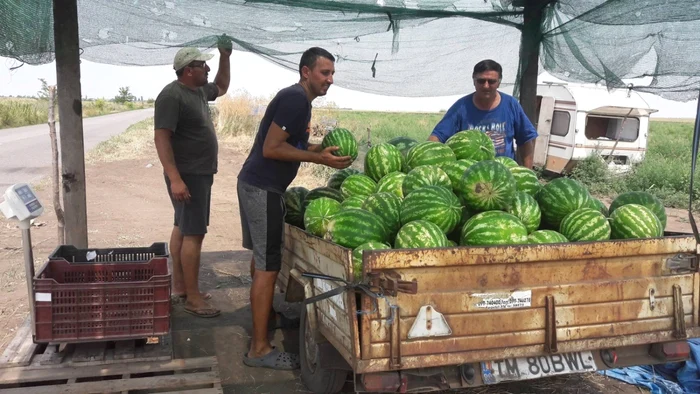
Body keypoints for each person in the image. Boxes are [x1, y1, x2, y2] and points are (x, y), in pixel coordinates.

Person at [236, 47, 352, 370]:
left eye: (332, 74)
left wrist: (320, 150)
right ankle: (260, 349)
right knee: (268, 265)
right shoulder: (295, 99)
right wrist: (319, 159)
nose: (330, 79)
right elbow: (272, 148)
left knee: (262, 259)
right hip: (263, 189)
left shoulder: (301, 102)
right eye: (324, 73)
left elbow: (293, 145)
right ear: (305, 72)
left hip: (256, 185)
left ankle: (267, 315)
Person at [153, 38, 231, 318]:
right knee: (194, 234)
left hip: (197, 173)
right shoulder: (171, 96)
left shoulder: (198, 91)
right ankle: (194, 299)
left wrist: (225, 56)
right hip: (188, 175)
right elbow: (161, 138)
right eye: (203, 65)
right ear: (188, 69)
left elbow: (222, 86)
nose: (207, 69)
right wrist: (175, 178)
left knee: (182, 227)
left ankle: (181, 287)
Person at [429, 59, 538, 168]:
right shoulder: (461, 107)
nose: (486, 86)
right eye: (481, 81)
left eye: (491, 81)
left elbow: (526, 139)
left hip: (505, 174)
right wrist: (425, 158)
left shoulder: (511, 105)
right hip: (468, 176)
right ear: (474, 81)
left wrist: (528, 172)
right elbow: (437, 136)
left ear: (499, 83)